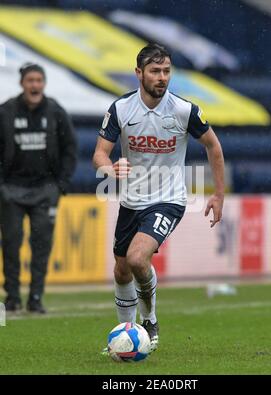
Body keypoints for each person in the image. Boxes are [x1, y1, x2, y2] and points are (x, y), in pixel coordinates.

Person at [93, 43, 224, 352]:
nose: (162, 77)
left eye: (166, 71)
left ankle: (149, 320)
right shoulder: (121, 109)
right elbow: (99, 153)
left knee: (139, 259)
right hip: (131, 201)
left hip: (169, 199)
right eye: (155, 71)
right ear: (139, 74)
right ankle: (125, 333)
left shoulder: (183, 110)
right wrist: (109, 169)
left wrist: (218, 194)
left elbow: (213, 146)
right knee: (122, 269)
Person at [0, 63, 77, 313]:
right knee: (11, 244)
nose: (35, 85)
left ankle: (35, 298)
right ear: (22, 83)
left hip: (45, 190)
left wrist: (60, 185)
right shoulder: (6, 111)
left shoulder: (55, 111)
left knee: (42, 244)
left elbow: (70, 149)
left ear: (44, 83)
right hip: (11, 190)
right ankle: (12, 297)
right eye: (30, 80)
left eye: (39, 80)